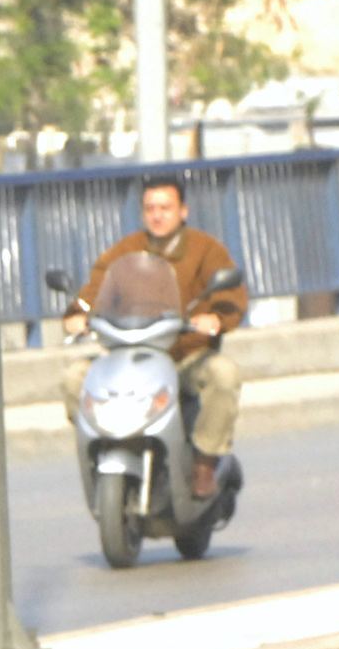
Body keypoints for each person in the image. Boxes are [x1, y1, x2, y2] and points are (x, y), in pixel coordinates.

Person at [61, 175, 247, 497]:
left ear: (183, 211)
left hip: (185, 357)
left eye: (165, 207)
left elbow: (230, 294)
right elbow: (95, 290)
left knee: (224, 374)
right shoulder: (126, 250)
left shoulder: (206, 250)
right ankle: (101, 446)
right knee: (76, 377)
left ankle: (205, 461)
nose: (157, 215)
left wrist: (215, 318)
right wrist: (78, 314)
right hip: (130, 355)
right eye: (150, 208)